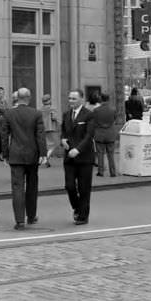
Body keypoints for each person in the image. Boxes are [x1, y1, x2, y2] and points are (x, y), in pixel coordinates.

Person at [0, 87, 47, 230]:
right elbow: (40, 135)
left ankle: (19, 220)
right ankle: (31, 216)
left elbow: (4, 136)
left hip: (15, 154)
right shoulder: (36, 114)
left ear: (17, 98)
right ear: (29, 98)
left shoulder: (9, 114)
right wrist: (43, 154)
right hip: (32, 154)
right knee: (32, 187)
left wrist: (5, 154)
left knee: (17, 188)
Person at [62, 89, 97, 226]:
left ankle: (83, 216)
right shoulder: (66, 114)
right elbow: (64, 131)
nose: (71, 101)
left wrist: (78, 149)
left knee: (84, 188)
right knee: (69, 186)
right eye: (70, 98)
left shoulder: (89, 115)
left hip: (84, 158)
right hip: (69, 158)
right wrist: (63, 140)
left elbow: (89, 136)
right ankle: (76, 207)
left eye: (74, 99)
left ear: (81, 99)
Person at [93, 94, 118, 177]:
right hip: (110, 134)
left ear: (101, 99)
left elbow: (94, 121)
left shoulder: (96, 110)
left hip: (99, 134)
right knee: (111, 154)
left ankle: (101, 171)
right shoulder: (113, 110)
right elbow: (114, 119)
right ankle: (113, 172)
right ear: (109, 99)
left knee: (100, 154)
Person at [41, 93, 60, 167]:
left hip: (43, 128)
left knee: (47, 144)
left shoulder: (41, 109)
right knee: (54, 144)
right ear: (49, 100)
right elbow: (54, 117)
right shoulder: (52, 108)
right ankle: (46, 158)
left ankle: (46, 161)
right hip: (51, 128)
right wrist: (58, 121)